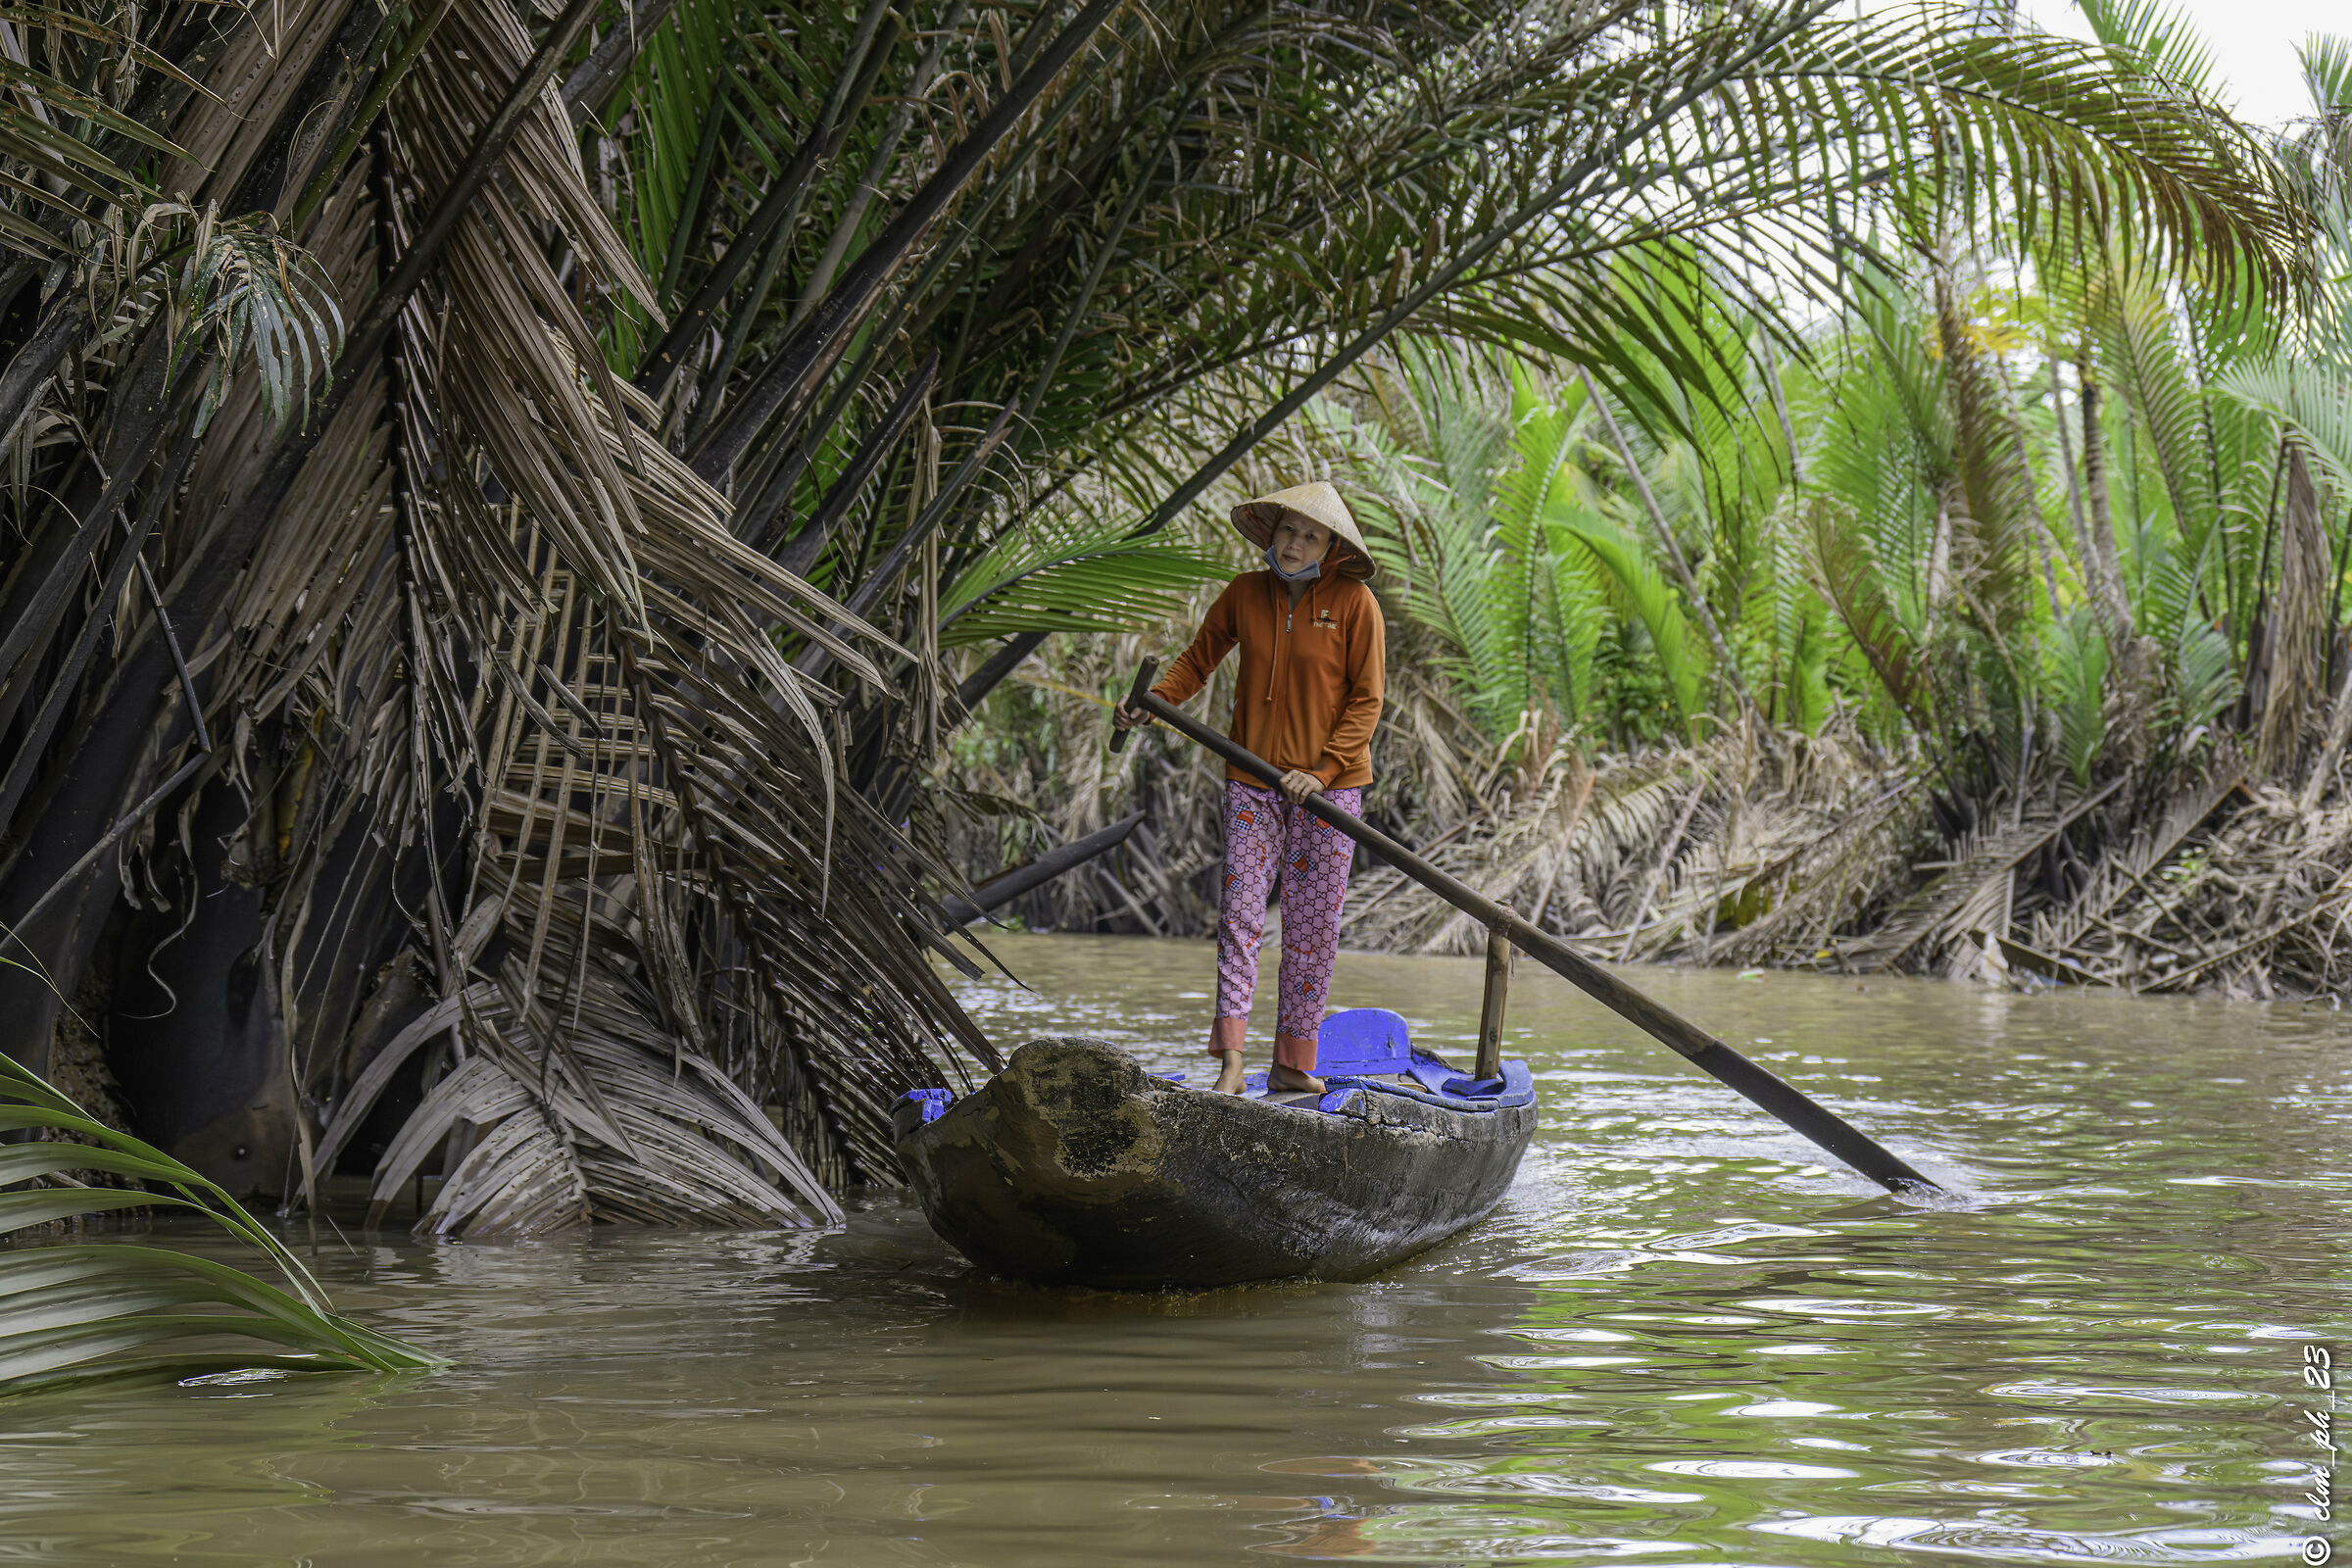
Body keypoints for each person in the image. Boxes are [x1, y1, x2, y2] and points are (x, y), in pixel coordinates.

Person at [1113, 482, 1385, 1096]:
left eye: (1309, 536)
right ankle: (1232, 1059)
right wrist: (1148, 706)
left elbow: (1367, 701)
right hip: (1253, 782)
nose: (1293, 544)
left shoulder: (1354, 603)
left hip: (1329, 793)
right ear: (1272, 531)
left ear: (1332, 546)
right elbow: (1196, 660)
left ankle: (1292, 1061)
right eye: (1287, 530)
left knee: (1311, 930)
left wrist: (1320, 771)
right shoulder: (1244, 593)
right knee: (1239, 919)